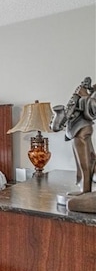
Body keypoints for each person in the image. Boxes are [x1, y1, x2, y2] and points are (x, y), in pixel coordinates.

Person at [51, 76, 96, 212]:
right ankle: (84, 188)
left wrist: (84, 97)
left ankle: (85, 190)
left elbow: (93, 110)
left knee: (85, 162)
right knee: (83, 161)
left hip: (82, 129)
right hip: (77, 129)